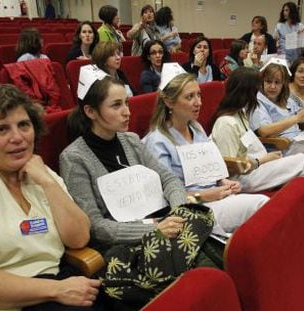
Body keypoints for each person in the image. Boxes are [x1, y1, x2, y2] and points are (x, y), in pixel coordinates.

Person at [60, 66, 218, 307]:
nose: (126, 112)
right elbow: (96, 226)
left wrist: (177, 212)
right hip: (126, 246)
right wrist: (153, 231)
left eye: (127, 103)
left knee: (217, 266)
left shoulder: (131, 141)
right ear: (91, 111)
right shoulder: (74, 158)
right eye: (116, 106)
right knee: (198, 283)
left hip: (168, 226)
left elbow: (169, 179)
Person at [0, 84, 100, 311]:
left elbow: (79, 239)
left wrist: (48, 182)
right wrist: (57, 291)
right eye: (1, 129)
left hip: (62, 281)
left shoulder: (41, 173)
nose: (18, 137)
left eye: (23, 125)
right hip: (13, 300)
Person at [143, 66, 269, 233]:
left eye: (199, 95)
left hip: (216, 197)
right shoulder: (157, 142)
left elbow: (212, 169)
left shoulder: (196, 128)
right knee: (262, 205)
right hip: (193, 208)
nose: (198, 102)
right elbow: (167, 196)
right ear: (169, 102)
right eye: (189, 97)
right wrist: (204, 195)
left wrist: (224, 182)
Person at [210, 67, 304, 192]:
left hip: (258, 165)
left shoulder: (241, 113)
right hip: (242, 177)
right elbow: (231, 167)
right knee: (303, 161)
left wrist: (267, 158)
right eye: (257, 89)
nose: (260, 94)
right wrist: (262, 160)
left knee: (301, 164)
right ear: (248, 92)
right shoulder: (226, 123)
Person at [250, 58, 304, 159]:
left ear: (283, 84)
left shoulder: (285, 98)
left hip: (300, 137)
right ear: (262, 82)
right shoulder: (257, 101)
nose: (273, 86)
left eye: (277, 82)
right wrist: (296, 118)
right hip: (283, 146)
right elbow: (264, 131)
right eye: (268, 82)